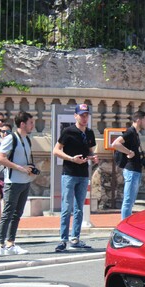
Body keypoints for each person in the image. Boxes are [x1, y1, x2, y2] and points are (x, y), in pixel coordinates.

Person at [52, 104, 98, 252]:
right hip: (69, 172)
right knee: (67, 207)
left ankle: (75, 238)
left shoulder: (89, 133)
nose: (84, 118)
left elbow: (90, 151)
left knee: (79, 208)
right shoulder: (68, 131)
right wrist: (72, 159)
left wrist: (93, 158)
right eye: (82, 115)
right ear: (75, 116)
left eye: (86, 115)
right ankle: (63, 239)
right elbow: (56, 150)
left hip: (83, 174)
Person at [0, 111, 37, 256]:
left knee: (17, 214)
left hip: (25, 182)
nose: (33, 125)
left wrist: (30, 169)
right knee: (8, 213)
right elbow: (0, 158)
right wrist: (20, 168)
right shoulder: (11, 138)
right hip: (13, 182)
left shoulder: (27, 139)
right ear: (22, 124)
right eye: (31, 123)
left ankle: (10, 243)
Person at [110, 110, 145, 220]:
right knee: (128, 201)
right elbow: (115, 143)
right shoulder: (130, 132)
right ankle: (124, 225)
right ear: (138, 120)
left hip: (136, 170)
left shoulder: (135, 134)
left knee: (130, 201)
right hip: (131, 170)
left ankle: (126, 223)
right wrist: (129, 152)